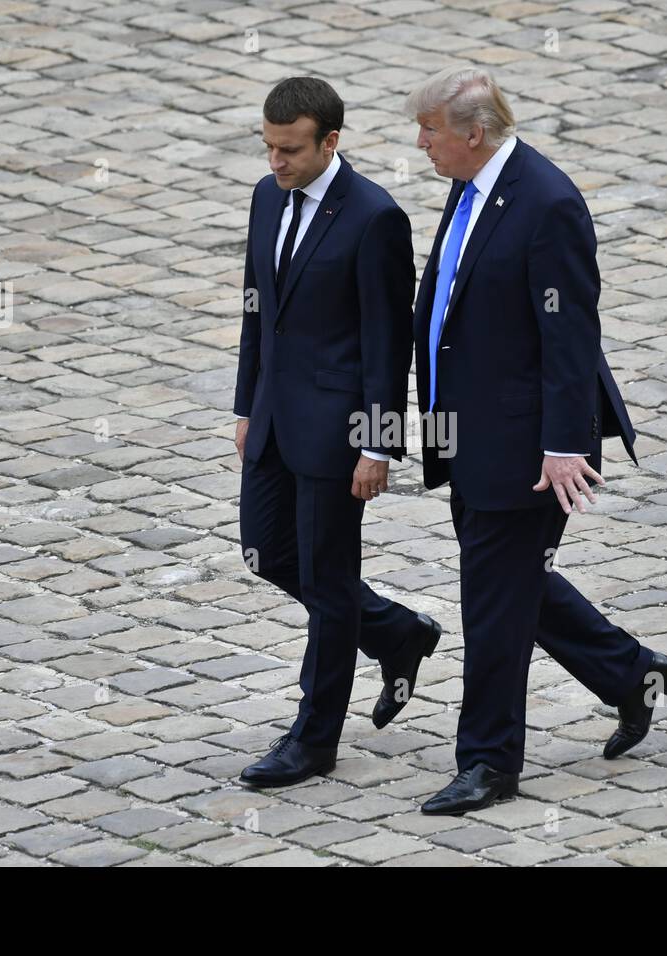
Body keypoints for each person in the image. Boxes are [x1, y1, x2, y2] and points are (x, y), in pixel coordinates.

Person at [404, 66, 667, 815]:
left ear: (472, 133)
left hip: (528, 449)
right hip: (470, 435)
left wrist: (564, 444)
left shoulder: (547, 202)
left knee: (491, 603)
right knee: (511, 581)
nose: (419, 142)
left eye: (428, 130)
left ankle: (490, 762)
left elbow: (570, 336)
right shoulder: (469, 184)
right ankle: (633, 673)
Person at [233, 77, 441, 788]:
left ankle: (313, 738)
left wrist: (378, 442)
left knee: (327, 583)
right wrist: (243, 405)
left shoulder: (374, 218)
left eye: (289, 150)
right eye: (267, 147)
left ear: (330, 141)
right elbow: (257, 309)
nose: (274, 163)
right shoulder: (267, 196)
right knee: (266, 554)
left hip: (337, 431)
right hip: (270, 418)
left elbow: (389, 344)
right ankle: (396, 632)